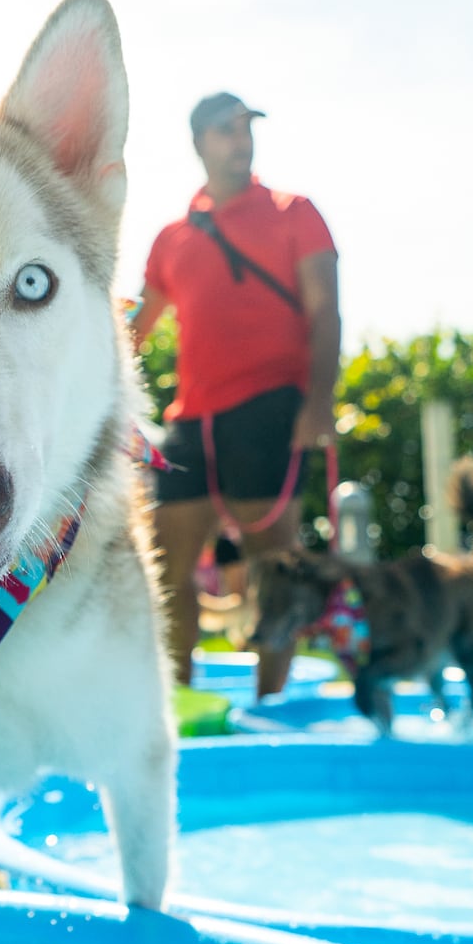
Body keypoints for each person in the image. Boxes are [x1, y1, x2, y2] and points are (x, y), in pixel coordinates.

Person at [128, 92, 339, 694]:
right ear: (199, 142)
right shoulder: (173, 238)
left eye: (246, 128)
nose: (240, 139)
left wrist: (318, 403)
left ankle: (269, 704)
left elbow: (327, 313)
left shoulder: (294, 212)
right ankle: (178, 704)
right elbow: (136, 330)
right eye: (225, 130)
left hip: (271, 408)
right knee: (165, 572)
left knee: (274, 569)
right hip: (192, 422)